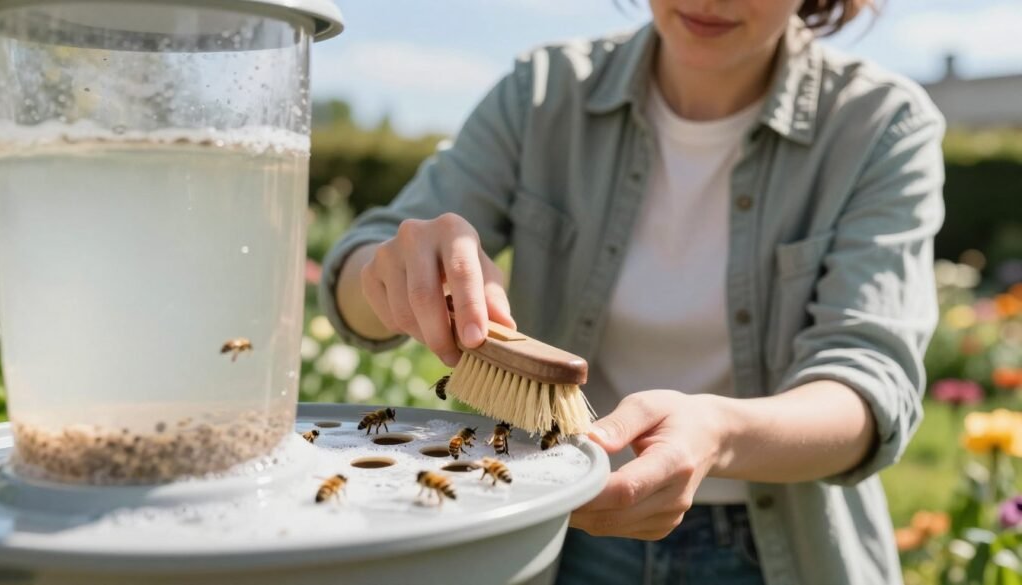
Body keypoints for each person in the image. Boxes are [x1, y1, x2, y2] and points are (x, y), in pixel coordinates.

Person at [319, 1, 945, 583]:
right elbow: (359, 276)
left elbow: (869, 391)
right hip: (558, 528)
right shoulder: (543, 93)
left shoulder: (881, 125)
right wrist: (394, 271)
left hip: (781, 548)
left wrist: (720, 433)